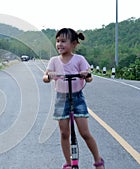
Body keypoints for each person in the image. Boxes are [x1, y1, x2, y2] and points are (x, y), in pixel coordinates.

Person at [42, 28, 104, 169]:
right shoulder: (54, 61)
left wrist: (85, 75)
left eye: (63, 41)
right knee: (64, 133)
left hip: (77, 98)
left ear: (74, 43)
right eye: (58, 41)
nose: (59, 44)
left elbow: (89, 78)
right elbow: (45, 77)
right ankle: (68, 164)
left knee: (84, 133)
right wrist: (49, 76)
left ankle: (98, 161)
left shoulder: (79, 59)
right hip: (61, 99)